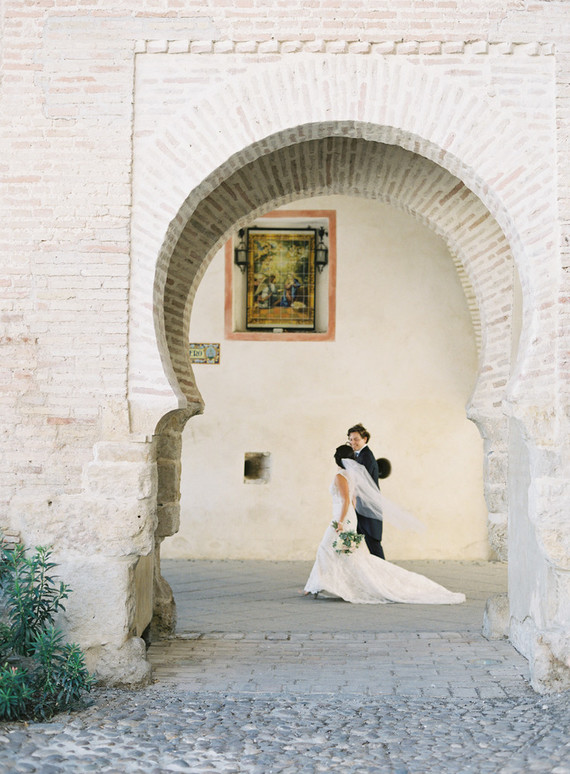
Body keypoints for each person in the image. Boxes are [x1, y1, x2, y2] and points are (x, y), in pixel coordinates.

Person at [303, 445, 465, 605]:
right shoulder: (351, 475)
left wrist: (340, 522)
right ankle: (315, 586)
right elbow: (354, 500)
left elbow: (346, 500)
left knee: (327, 548)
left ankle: (316, 586)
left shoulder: (340, 476)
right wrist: (349, 519)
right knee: (344, 553)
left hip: (341, 518)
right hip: (347, 517)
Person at [347, 423, 384, 559]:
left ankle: (383, 573)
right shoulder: (359, 455)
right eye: (350, 439)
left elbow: (362, 484)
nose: (352, 442)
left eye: (356, 439)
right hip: (362, 506)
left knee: (373, 542)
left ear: (365, 439)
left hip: (368, 506)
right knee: (355, 541)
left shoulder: (366, 456)